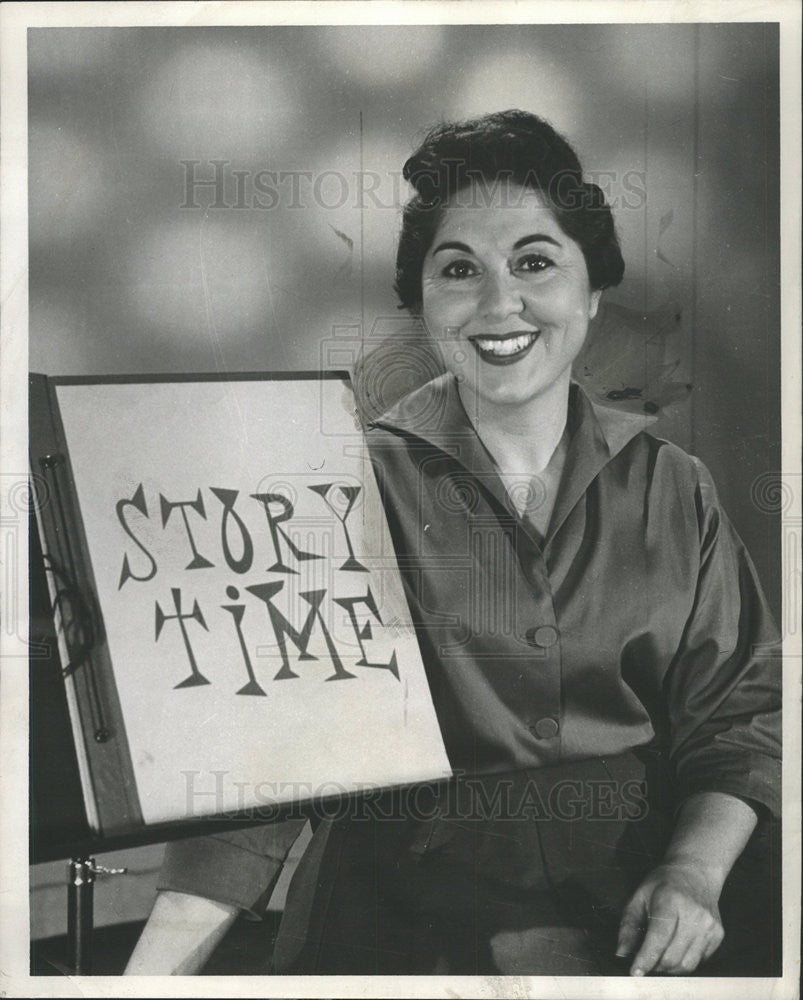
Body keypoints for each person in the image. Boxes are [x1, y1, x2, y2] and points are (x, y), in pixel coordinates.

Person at [125, 110, 781, 977]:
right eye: (459, 270)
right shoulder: (337, 486)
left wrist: (692, 874)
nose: (499, 303)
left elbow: (738, 723)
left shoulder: (673, 484)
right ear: (422, 302)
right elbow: (269, 763)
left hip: (641, 897)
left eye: (535, 264)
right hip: (399, 909)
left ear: (590, 293)